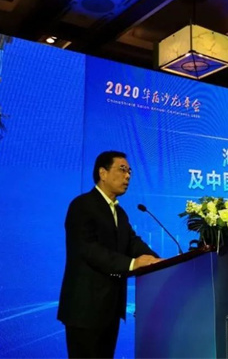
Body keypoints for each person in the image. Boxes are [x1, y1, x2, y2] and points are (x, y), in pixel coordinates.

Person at [57, 151, 162, 358]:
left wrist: (159, 261)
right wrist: (132, 264)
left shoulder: (119, 213)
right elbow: (89, 249)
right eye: (122, 170)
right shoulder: (82, 205)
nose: (128, 176)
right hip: (85, 310)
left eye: (129, 171)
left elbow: (132, 243)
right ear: (102, 173)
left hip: (110, 309)